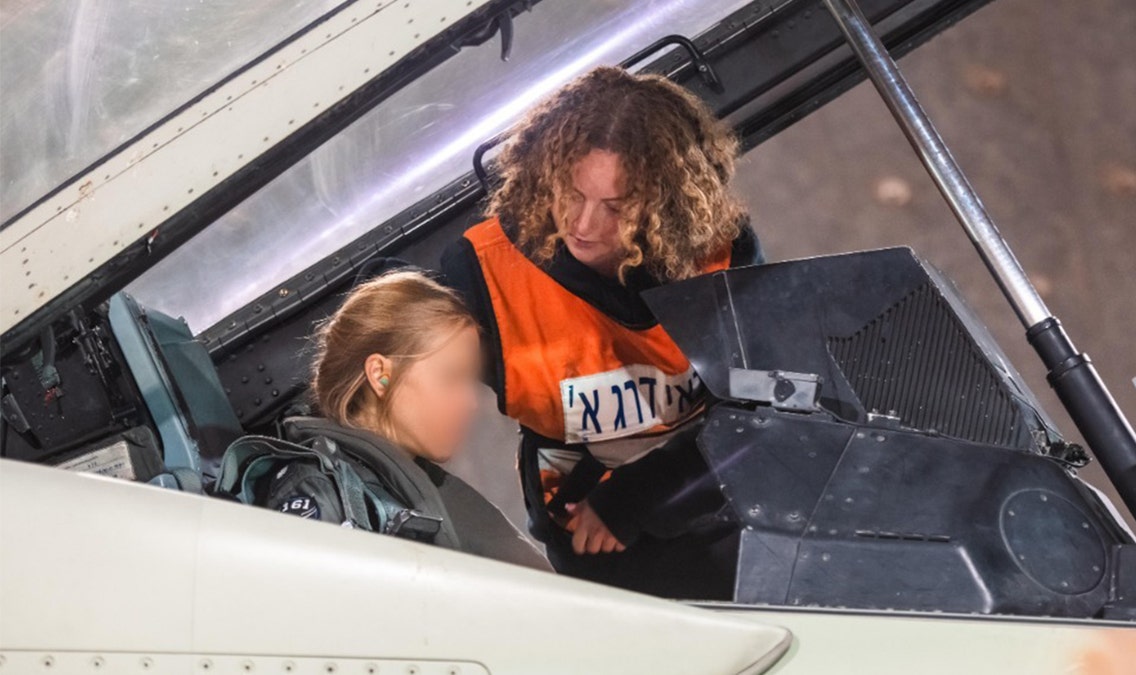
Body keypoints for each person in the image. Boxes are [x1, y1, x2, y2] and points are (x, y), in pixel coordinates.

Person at [440, 66, 764, 598]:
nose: (584, 226)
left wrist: (636, 501)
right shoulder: (481, 270)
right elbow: (392, 361)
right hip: (590, 535)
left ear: (666, 203)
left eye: (616, 208)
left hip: (719, 504)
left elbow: (763, 411)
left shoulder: (720, 251)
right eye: (572, 194)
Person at [259, 269, 549, 571]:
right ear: (380, 375)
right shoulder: (321, 495)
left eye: (471, 381)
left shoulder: (402, 480)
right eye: (451, 378)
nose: (471, 402)